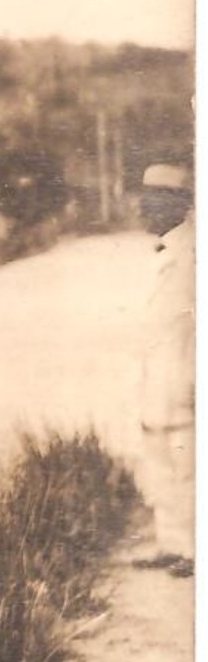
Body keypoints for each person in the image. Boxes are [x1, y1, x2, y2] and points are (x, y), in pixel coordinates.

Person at [134, 163, 195, 578]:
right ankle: (171, 544)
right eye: (145, 199)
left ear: (180, 204)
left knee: (187, 465)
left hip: (186, 379)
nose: (147, 209)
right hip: (157, 378)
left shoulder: (194, 254)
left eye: (157, 200)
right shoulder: (163, 252)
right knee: (158, 463)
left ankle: (194, 551)